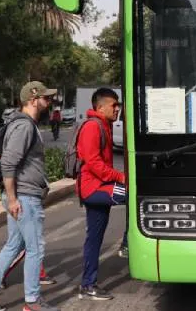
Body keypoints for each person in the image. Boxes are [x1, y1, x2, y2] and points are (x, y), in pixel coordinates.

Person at [0, 81, 59, 311]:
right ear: (33, 99)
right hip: (24, 197)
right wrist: (12, 199)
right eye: (46, 98)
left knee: (13, 245)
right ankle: (32, 302)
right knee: (35, 248)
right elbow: (8, 163)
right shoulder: (24, 126)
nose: (49, 102)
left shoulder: (23, 124)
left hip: (21, 195)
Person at [77, 88, 127, 301]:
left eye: (118, 105)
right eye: (113, 105)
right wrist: (121, 177)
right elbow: (94, 163)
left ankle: (88, 285)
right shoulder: (92, 127)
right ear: (100, 107)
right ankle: (127, 244)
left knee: (94, 239)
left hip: (100, 186)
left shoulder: (104, 125)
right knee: (135, 195)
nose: (117, 109)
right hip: (94, 188)